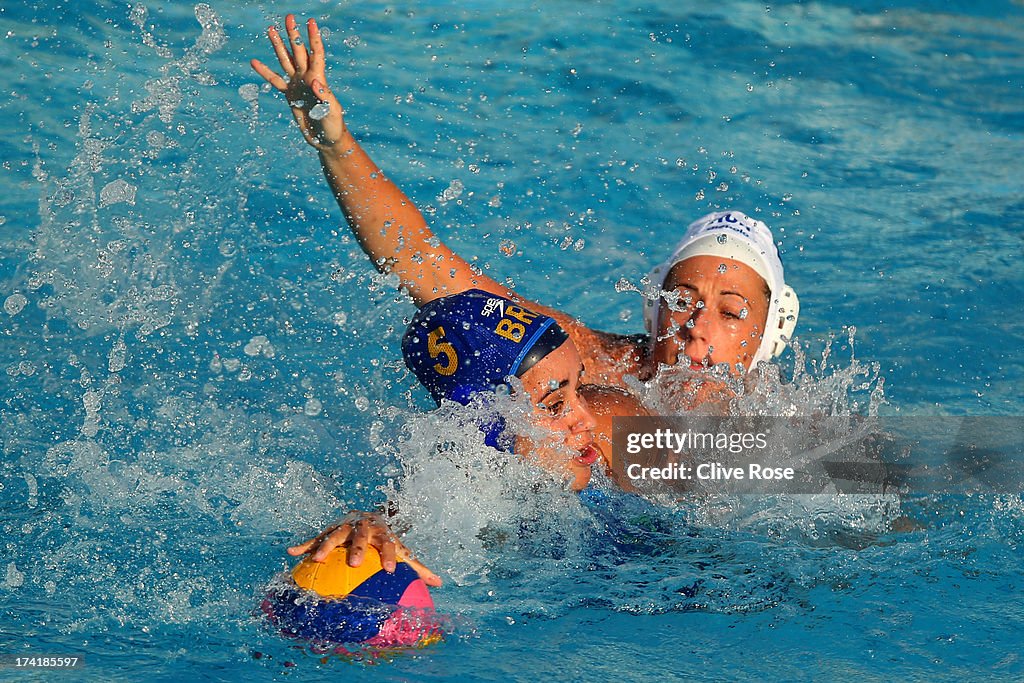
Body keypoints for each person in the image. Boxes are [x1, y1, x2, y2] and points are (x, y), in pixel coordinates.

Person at [249, 15, 801, 391]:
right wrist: (335, 145)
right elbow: (425, 265)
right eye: (682, 301)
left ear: (770, 336)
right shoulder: (588, 368)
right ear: (652, 310)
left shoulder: (794, 436)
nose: (696, 327)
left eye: (731, 313)